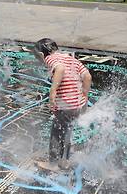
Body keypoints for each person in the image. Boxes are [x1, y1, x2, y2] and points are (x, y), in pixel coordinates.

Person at [27, 38, 92, 171]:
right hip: (77, 104)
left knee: (56, 133)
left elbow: (60, 69)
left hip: (65, 105)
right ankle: (65, 161)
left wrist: (53, 91)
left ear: (41, 54)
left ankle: (53, 163)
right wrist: (84, 95)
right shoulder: (71, 59)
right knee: (67, 131)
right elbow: (87, 77)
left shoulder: (50, 59)